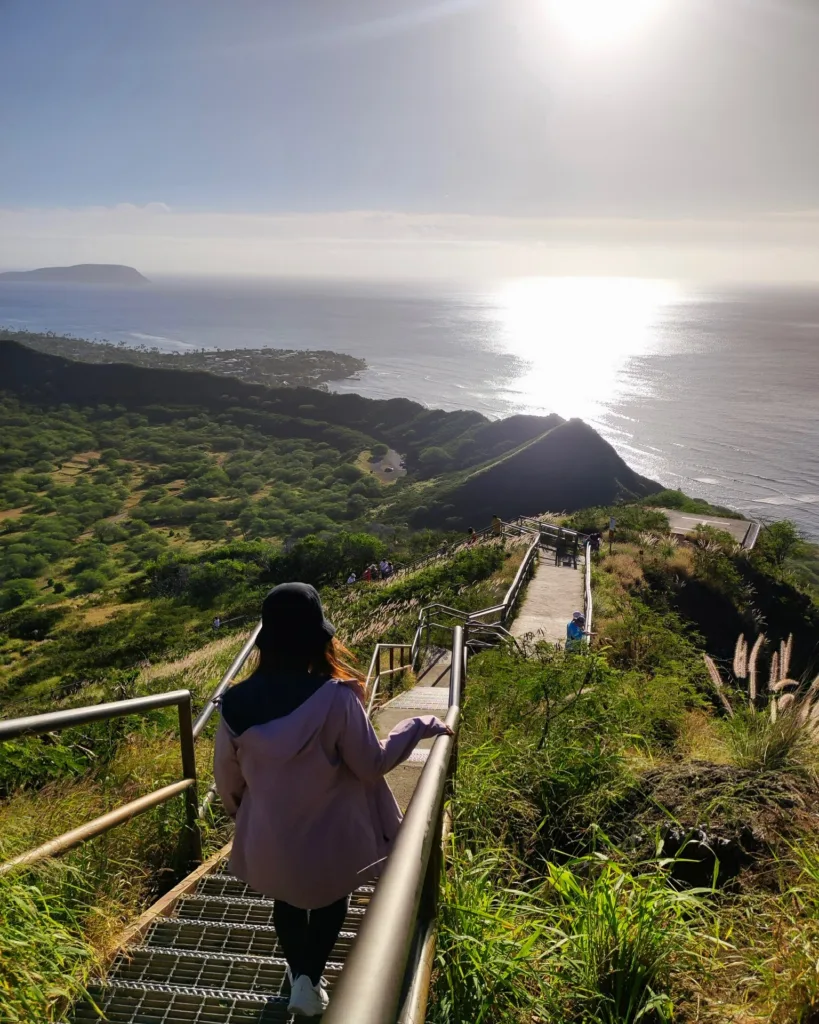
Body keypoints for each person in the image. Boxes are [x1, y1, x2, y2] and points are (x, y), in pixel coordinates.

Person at [213, 583, 451, 1018]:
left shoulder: (234, 704)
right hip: (330, 837)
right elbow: (370, 765)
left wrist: (246, 815)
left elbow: (227, 782)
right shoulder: (337, 698)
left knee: (284, 901)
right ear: (318, 639)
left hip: (270, 835)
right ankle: (308, 980)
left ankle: (301, 978)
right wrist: (416, 726)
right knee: (329, 901)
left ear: (266, 641)